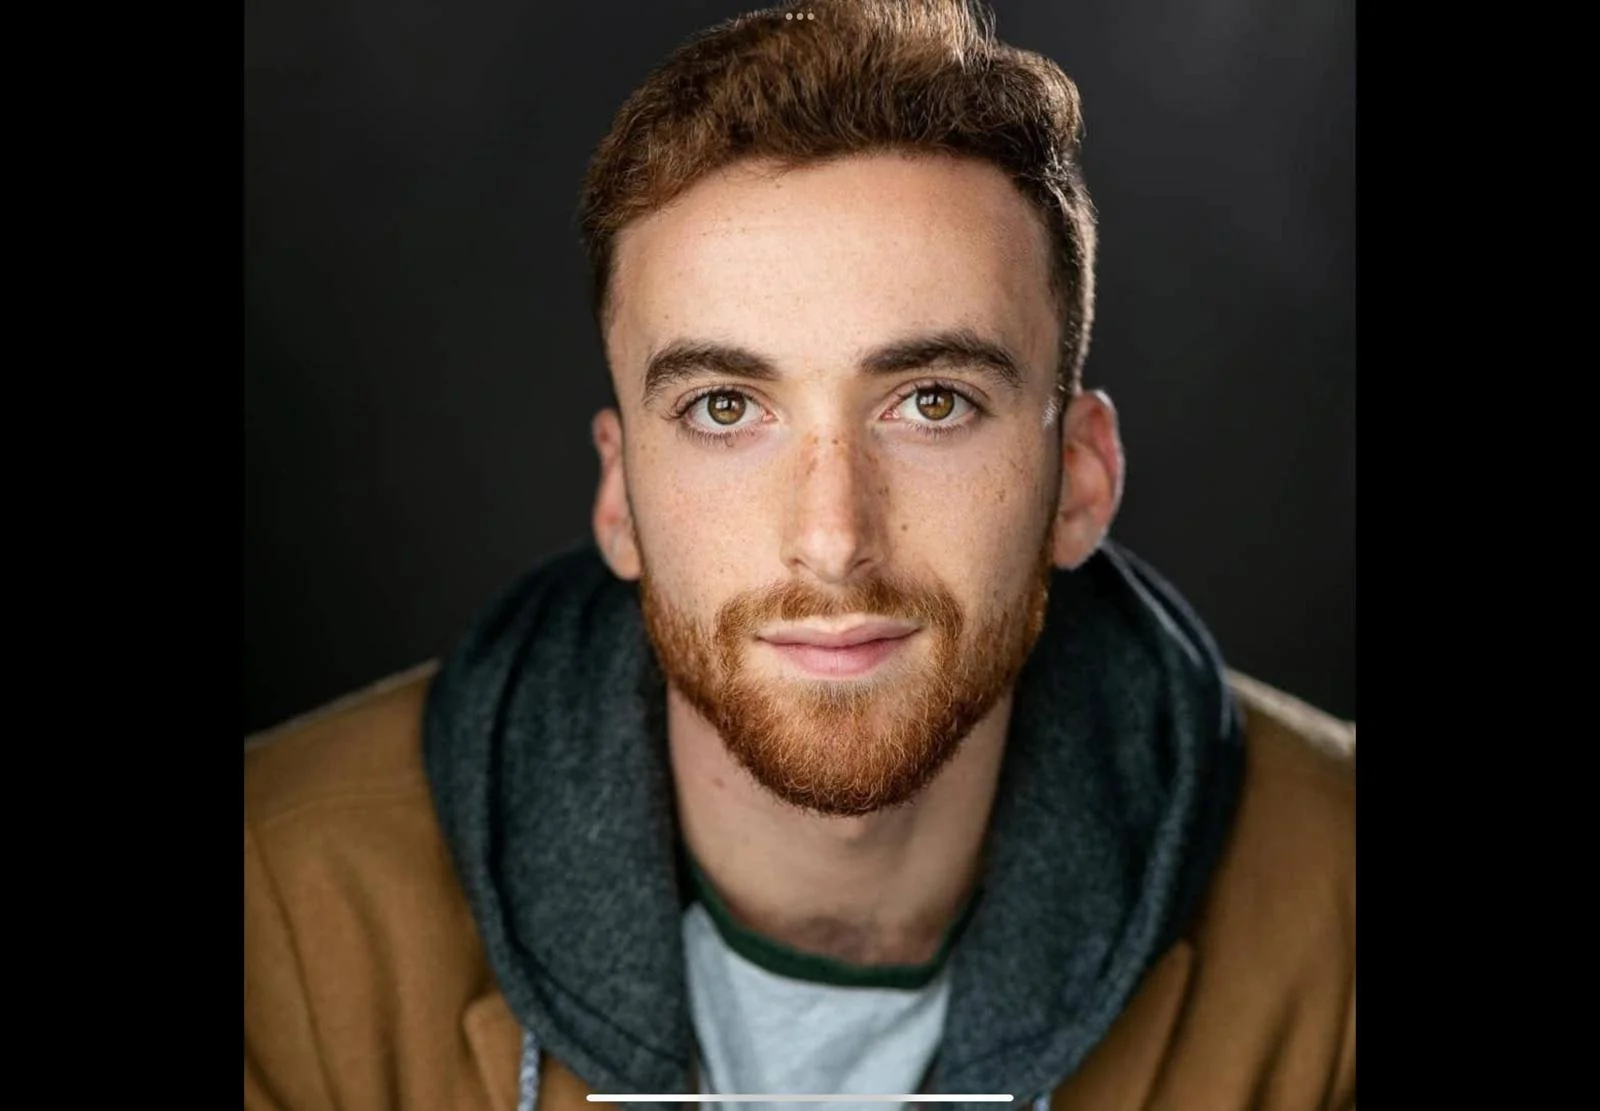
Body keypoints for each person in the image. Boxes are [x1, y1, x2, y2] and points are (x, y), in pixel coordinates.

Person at [243, 1, 1356, 1107]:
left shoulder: (1336, 917)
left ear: (1078, 479)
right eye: (727, 407)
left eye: (931, 402)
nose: (832, 540)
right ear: (620, 495)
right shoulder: (273, 907)